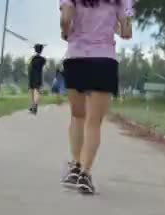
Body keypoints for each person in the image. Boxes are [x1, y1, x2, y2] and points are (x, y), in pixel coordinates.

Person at [59, 0, 133, 195]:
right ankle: (85, 173)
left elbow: (65, 18)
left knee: (77, 116)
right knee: (93, 122)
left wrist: (66, 32)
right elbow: (126, 32)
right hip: (103, 60)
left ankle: (75, 166)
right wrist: (113, 26)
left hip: (76, 58)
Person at [28, 44, 46, 115]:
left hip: (32, 76)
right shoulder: (43, 59)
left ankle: (32, 106)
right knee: (37, 91)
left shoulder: (32, 58)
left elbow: (29, 65)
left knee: (31, 91)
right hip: (38, 76)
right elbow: (42, 67)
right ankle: (35, 105)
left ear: (35, 50)